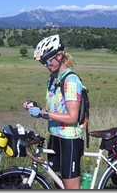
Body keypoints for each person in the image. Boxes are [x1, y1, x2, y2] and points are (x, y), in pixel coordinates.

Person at [23, 34, 84, 189]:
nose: (45, 65)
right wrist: (34, 106)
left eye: (47, 60)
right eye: (42, 62)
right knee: (58, 186)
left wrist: (44, 114)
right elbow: (47, 110)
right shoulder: (52, 79)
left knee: (71, 188)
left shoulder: (70, 80)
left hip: (69, 139)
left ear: (59, 55)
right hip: (55, 136)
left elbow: (72, 117)